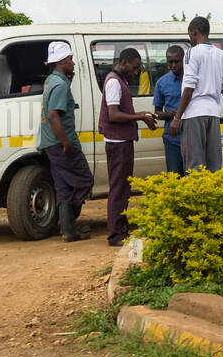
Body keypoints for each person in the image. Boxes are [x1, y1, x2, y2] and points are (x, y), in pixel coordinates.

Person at [169, 16, 223, 171]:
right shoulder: (221, 54)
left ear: (194, 32)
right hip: (214, 114)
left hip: (194, 114)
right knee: (213, 165)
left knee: (194, 165)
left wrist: (177, 118)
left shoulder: (191, 53)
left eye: (189, 35)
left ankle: (196, 195)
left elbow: (189, 87)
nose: (189, 38)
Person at [100, 47, 157, 247]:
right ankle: (116, 235)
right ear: (123, 62)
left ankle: (120, 231)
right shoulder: (114, 82)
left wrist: (140, 115)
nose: (135, 72)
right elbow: (113, 115)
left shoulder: (119, 79)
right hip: (118, 144)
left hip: (121, 141)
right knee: (119, 189)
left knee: (123, 188)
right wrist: (139, 117)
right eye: (133, 68)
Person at [37, 41, 93, 242]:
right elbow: (53, 115)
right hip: (61, 144)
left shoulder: (53, 80)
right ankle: (69, 223)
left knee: (63, 186)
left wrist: (68, 80)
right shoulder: (60, 85)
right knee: (85, 180)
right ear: (62, 61)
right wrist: (66, 143)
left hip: (50, 143)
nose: (73, 62)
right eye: (70, 59)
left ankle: (69, 230)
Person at [153, 44, 186, 176]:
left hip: (192, 135)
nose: (173, 65)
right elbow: (157, 112)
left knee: (193, 176)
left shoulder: (192, 79)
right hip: (172, 138)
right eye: (170, 62)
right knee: (174, 176)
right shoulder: (162, 82)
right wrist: (167, 114)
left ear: (184, 59)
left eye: (176, 61)